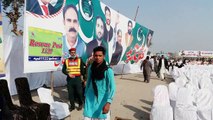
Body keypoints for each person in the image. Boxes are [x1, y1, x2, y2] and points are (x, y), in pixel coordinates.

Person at [83, 46, 116, 120]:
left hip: (102, 100)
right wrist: (85, 95)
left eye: (100, 56)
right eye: (96, 55)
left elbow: (113, 87)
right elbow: (88, 82)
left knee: (101, 117)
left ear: (104, 56)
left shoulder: (108, 70)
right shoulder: (91, 67)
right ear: (93, 56)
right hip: (90, 98)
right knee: (87, 116)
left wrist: (108, 102)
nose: (97, 57)